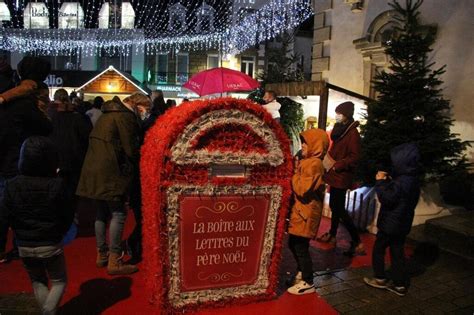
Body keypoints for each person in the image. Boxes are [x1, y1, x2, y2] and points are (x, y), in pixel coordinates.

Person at [0, 136, 74, 314]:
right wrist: (60, 233)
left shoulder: (12, 186)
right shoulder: (57, 185)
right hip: (50, 241)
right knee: (59, 280)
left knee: (37, 280)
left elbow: (3, 217)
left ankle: (48, 310)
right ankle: (48, 312)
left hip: (24, 244)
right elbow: (67, 214)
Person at [76, 97, 140, 275]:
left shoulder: (106, 115)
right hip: (111, 171)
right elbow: (130, 149)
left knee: (101, 213)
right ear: (134, 105)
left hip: (93, 169)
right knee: (118, 213)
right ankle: (115, 259)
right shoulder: (124, 117)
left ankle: (101, 254)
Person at [0, 57, 53, 263]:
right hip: (18, 161)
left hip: (8, 158)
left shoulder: (12, 97)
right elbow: (46, 127)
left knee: (5, 206)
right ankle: (19, 246)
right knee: (16, 208)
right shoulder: (26, 103)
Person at [364, 143, 421, 296]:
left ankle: (380, 278)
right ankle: (400, 284)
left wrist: (380, 182)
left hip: (390, 223)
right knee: (397, 252)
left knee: (379, 249)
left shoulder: (401, 182)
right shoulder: (412, 179)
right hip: (403, 222)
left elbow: (387, 198)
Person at [317, 101, 365, 256]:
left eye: (340, 113)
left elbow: (355, 156)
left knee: (338, 208)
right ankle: (332, 234)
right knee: (335, 207)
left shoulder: (352, 134)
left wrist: (338, 165)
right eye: (336, 112)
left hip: (341, 175)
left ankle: (357, 242)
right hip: (334, 174)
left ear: (346, 115)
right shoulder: (340, 130)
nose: (337, 116)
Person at [287, 128, 329, 295]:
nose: (303, 145)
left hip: (306, 213)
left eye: (306, 142)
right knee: (294, 244)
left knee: (300, 247)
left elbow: (302, 188)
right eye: (303, 142)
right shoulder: (309, 162)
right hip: (301, 211)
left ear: (315, 145)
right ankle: (301, 273)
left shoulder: (314, 164)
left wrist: (294, 173)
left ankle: (308, 281)